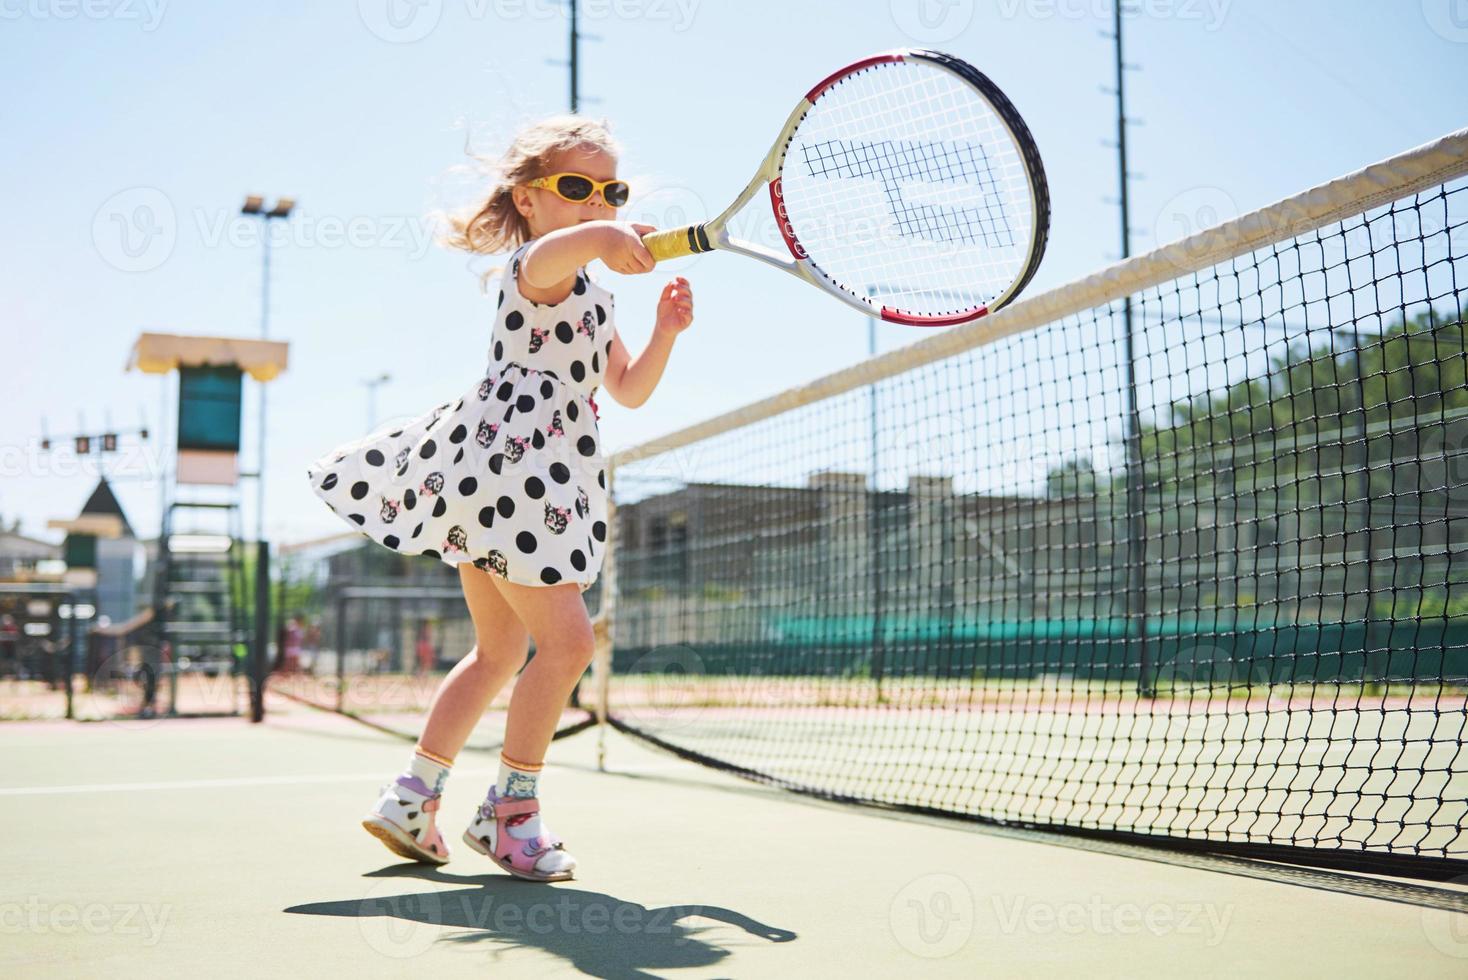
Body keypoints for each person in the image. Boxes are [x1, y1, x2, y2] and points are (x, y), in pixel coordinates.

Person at [305, 116, 693, 881]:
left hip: (527, 484)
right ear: (529, 198)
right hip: (518, 477)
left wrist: (666, 333)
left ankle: (412, 798)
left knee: (499, 652)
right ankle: (510, 816)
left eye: (609, 190)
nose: (596, 202)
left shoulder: (595, 295)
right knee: (572, 645)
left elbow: (628, 390)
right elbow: (556, 253)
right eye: (576, 188)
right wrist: (603, 236)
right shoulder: (535, 267)